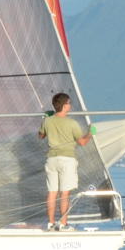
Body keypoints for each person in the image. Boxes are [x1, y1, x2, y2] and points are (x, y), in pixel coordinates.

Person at [37, 93, 95, 230]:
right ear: (64, 106)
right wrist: (90, 133)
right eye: (69, 103)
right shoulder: (72, 123)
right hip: (67, 160)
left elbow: (41, 136)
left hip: (51, 160)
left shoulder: (47, 121)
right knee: (64, 194)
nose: (70, 105)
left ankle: (51, 223)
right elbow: (82, 142)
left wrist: (45, 119)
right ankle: (63, 224)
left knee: (52, 192)